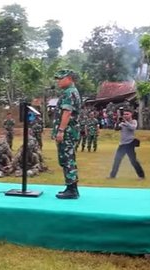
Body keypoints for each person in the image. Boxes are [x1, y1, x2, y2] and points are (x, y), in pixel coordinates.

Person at [51, 69, 81, 199]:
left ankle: (72, 189)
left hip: (67, 132)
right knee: (66, 159)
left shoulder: (70, 93)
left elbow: (67, 113)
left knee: (68, 159)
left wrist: (61, 130)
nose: (58, 81)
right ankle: (70, 187)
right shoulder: (69, 92)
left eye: (60, 78)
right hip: (68, 132)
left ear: (69, 78)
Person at [107, 109, 145, 180]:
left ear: (131, 114)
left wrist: (125, 122)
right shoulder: (122, 123)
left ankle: (141, 176)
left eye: (127, 114)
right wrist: (117, 121)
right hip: (122, 144)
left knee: (133, 160)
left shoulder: (134, 121)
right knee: (117, 160)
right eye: (124, 114)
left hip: (130, 143)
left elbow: (133, 128)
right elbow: (116, 129)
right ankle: (112, 175)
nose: (125, 115)